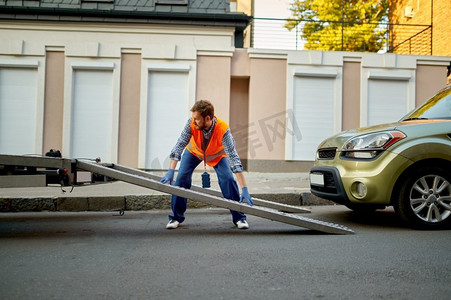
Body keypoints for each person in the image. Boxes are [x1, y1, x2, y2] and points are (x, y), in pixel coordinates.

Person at [160, 100, 253, 230]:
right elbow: (180, 144)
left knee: (228, 179)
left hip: (217, 156)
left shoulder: (223, 129)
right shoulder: (191, 123)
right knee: (181, 177)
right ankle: (176, 218)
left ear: (207, 118)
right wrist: (171, 170)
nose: (194, 121)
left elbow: (234, 159)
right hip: (194, 152)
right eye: (193, 118)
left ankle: (239, 218)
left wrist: (244, 189)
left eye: (197, 119)